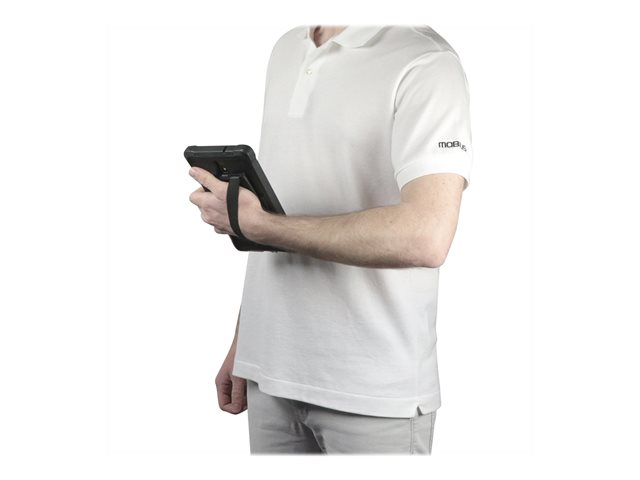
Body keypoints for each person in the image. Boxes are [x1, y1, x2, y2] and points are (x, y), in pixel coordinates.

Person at [188, 24, 473, 454]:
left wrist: (259, 226)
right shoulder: (287, 47)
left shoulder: (426, 61)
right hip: (270, 375)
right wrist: (245, 341)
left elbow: (426, 236)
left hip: (373, 392)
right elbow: (287, 195)